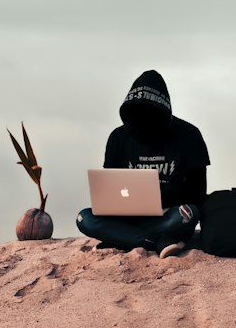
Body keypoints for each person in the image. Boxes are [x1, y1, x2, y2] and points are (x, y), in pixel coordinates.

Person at [76, 70, 209, 257]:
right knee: (84, 218)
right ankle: (156, 241)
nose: (144, 122)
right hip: (127, 220)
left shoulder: (189, 135)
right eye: (138, 115)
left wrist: (165, 201)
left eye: (150, 115)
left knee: (188, 214)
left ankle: (124, 239)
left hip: (168, 216)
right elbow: (110, 191)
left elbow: (198, 194)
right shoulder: (118, 138)